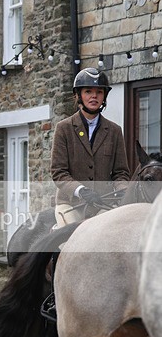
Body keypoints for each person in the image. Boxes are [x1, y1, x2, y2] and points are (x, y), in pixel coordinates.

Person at [51, 67, 130, 226]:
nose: (94, 96)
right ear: (78, 95)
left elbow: (121, 173)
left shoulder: (114, 131)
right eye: (88, 91)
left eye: (99, 92)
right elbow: (58, 172)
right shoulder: (64, 128)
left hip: (103, 204)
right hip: (71, 204)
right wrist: (81, 190)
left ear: (104, 96)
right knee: (69, 243)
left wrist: (123, 192)